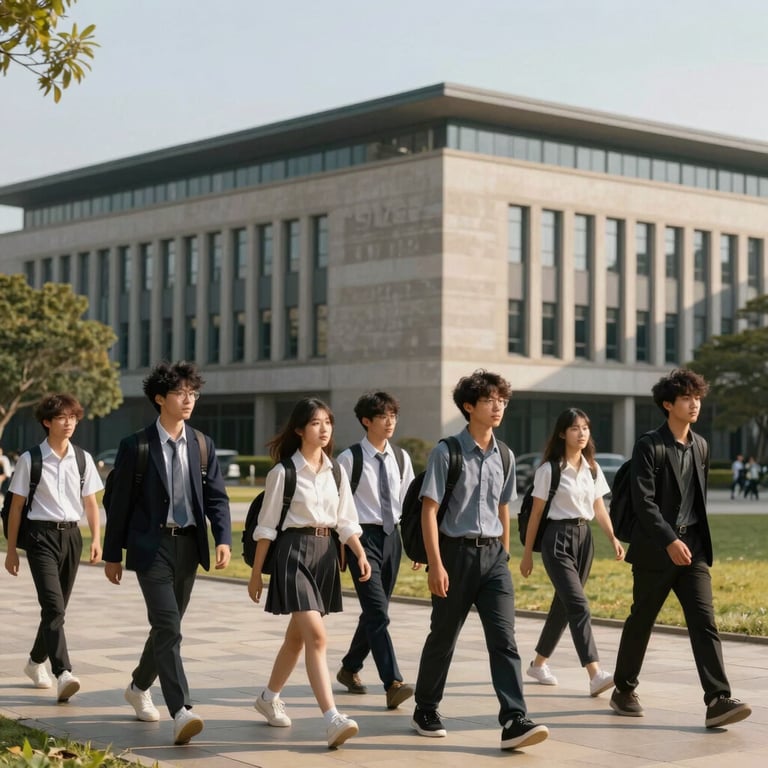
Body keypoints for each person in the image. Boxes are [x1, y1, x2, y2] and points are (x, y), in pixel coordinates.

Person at [411, 370, 549, 751]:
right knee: (443, 637)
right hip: (454, 557)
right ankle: (425, 707)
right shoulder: (447, 452)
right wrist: (436, 564)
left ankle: (514, 719)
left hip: (493, 560)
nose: (498, 407)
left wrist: (504, 551)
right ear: (469, 406)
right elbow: (429, 511)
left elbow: (504, 506)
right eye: (490, 401)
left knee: (505, 640)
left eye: (502, 401)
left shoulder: (504, 454)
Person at [610, 368, 751, 729]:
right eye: (687, 398)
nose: (695, 404)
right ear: (667, 404)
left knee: (705, 622)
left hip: (694, 550)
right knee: (642, 620)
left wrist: (688, 541)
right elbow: (644, 503)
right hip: (657, 550)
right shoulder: (649, 445)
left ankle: (718, 698)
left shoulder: (701, 445)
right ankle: (623, 689)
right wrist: (669, 539)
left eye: (698, 397)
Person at [102, 361, 232, 746]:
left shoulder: (203, 445)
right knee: (169, 627)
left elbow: (217, 498)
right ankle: (182, 710)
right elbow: (118, 504)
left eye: (193, 393)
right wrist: (113, 554)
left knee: (166, 628)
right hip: (151, 548)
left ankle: (139, 685)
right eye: (180, 393)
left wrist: (222, 537)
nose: (188, 399)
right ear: (160, 398)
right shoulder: (136, 446)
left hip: (190, 545)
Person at [247, 397, 372, 749]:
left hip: (326, 554)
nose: (324, 429)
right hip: (293, 553)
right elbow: (267, 528)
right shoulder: (283, 473)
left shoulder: (337, 471)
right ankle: (332, 718)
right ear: (300, 429)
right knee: (317, 637)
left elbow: (347, 521)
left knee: (297, 638)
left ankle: (268, 697)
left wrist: (360, 554)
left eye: (328, 422)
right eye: (316, 423)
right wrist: (256, 574)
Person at [4, 394, 102, 702]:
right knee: (54, 607)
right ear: (47, 422)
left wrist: (96, 539)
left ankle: (35, 662)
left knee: (55, 610)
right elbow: (17, 507)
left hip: (71, 537)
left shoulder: (83, 459)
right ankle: (64, 672)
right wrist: (10, 550)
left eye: (73, 417)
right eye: (62, 417)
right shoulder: (30, 459)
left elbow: (91, 503)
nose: (69, 422)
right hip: (39, 538)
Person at [520, 408, 624, 696]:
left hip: (584, 538)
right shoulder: (549, 470)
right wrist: (527, 554)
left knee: (564, 606)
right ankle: (595, 673)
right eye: (575, 428)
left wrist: (613, 537)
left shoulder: (592, 468)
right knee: (579, 605)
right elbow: (536, 514)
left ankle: (538, 664)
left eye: (586, 428)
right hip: (557, 539)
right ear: (563, 433)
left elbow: (599, 506)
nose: (582, 433)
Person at [336, 392, 416, 710]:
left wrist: (417, 549)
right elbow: (339, 508)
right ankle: (392, 682)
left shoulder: (401, 457)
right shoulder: (349, 459)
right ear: (366, 421)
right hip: (361, 539)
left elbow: (410, 505)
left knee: (375, 612)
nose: (390, 422)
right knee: (378, 613)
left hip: (391, 537)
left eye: (393, 415)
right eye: (383, 416)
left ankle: (350, 667)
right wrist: (345, 546)